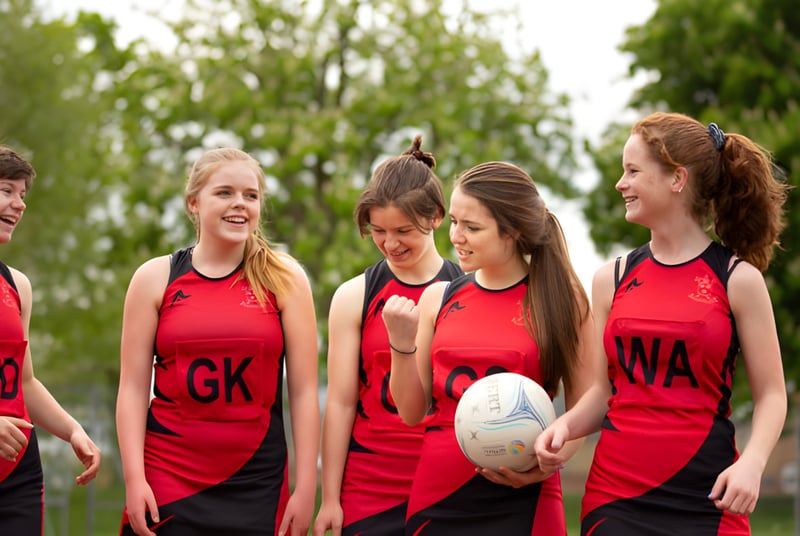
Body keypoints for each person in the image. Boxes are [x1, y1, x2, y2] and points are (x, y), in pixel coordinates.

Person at [535, 112, 789, 535]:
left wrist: (753, 464)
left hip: (710, 494)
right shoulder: (610, 279)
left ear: (677, 179)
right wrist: (563, 426)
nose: (621, 184)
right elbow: (602, 392)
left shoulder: (738, 279)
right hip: (616, 496)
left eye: (633, 171)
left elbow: (772, 395)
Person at [381, 161, 594, 534]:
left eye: (472, 227)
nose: (456, 237)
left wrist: (546, 463)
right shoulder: (439, 298)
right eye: (454, 223)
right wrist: (401, 344)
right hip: (440, 496)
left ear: (512, 231)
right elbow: (412, 412)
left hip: (527, 496)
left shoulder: (562, 299)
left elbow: (583, 409)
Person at [116, 147, 320, 536]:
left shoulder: (285, 278)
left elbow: (305, 391)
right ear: (194, 203)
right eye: (224, 193)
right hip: (168, 477)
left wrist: (305, 486)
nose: (239, 204)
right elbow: (132, 388)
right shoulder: (155, 278)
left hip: (257, 482)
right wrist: (134, 478)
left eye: (251, 195)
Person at [312, 136, 463, 536]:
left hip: (448, 481)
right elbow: (342, 403)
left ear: (435, 218)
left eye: (403, 230)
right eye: (378, 230)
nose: (390, 243)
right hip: (371, 484)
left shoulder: (466, 290)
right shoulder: (354, 295)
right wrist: (330, 497)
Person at [0, 145, 101, 533]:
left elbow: (24, 382)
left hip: (17, 474)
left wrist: (72, 430)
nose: (19, 204)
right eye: (7, 190)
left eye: (22, 194)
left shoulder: (17, 286)